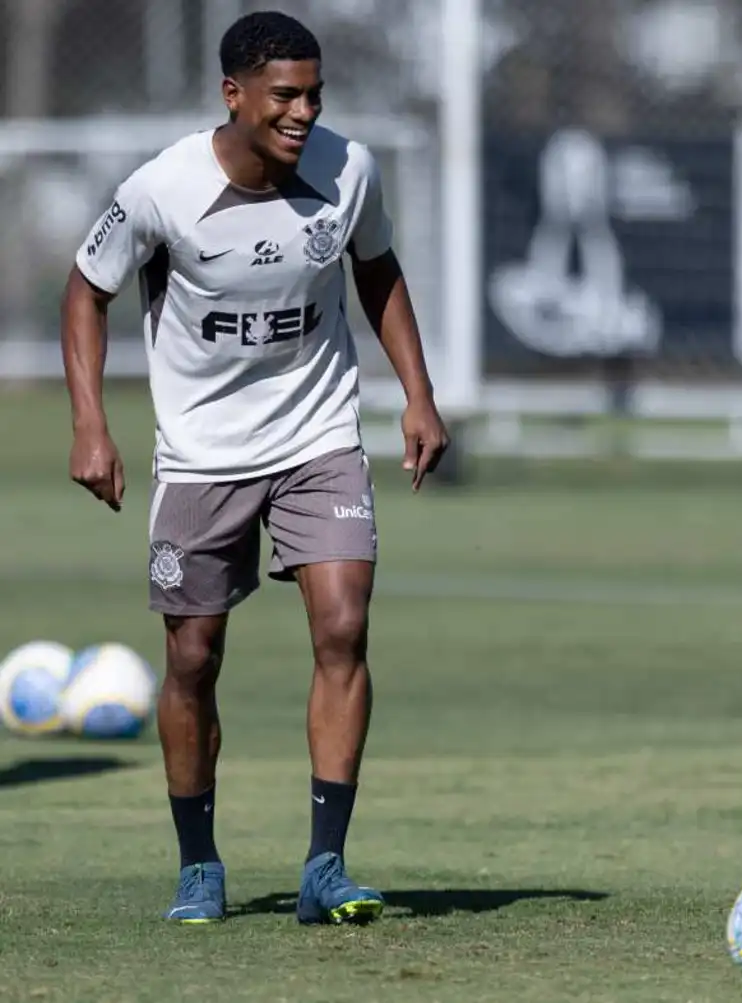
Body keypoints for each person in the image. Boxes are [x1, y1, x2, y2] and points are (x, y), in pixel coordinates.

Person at [60, 10, 450, 925]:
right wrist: (90, 424)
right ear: (232, 95)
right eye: (286, 95)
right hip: (201, 454)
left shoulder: (351, 172)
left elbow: (378, 271)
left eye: (315, 94)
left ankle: (326, 864)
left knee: (344, 626)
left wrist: (419, 395)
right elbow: (85, 291)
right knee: (193, 658)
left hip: (318, 435)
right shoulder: (163, 189)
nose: (305, 112)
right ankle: (199, 863)